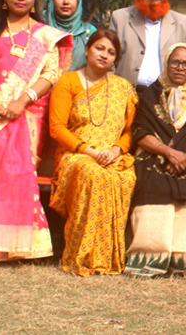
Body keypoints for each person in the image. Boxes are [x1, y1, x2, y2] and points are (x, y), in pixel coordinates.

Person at [0, 0, 73, 262]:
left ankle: (20, 245)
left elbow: (51, 74)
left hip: (26, 116)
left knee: (18, 175)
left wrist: (23, 100)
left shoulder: (44, 35)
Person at [48, 29, 137, 275]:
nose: (104, 55)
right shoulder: (68, 82)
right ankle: (82, 255)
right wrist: (90, 152)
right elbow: (56, 128)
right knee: (92, 174)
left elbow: (131, 131)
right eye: (99, 48)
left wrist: (117, 150)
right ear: (87, 50)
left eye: (111, 52)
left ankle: (109, 257)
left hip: (111, 154)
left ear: (115, 60)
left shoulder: (123, 88)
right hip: (76, 154)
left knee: (125, 177)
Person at [125, 43, 186, 277]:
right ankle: (150, 254)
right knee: (154, 178)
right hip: (155, 154)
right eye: (175, 62)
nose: (180, 67)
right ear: (166, 64)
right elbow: (140, 132)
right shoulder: (150, 95)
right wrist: (168, 153)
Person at [110, 0, 186, 86]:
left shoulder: (183, 25)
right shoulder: (120, 18)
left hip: (165, 94)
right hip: (124, 92)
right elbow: (109, 61)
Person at [43, 0, 97, 72]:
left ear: (78, 1)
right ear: (51, 0)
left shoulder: (89, 33)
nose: (66, 2)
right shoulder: (40, 31)